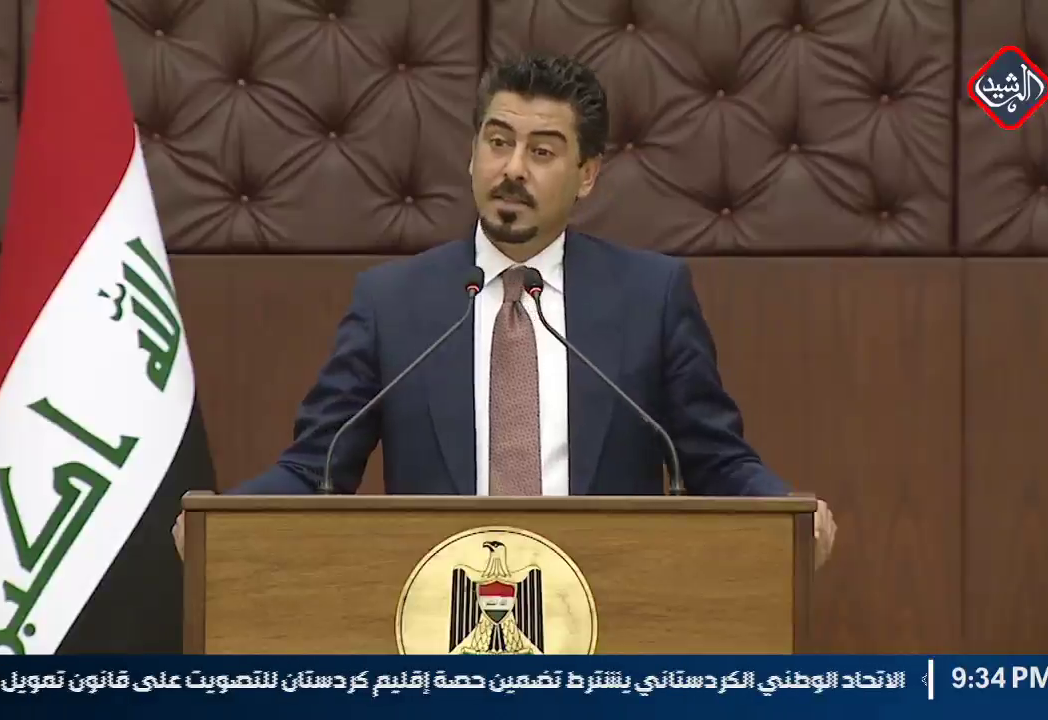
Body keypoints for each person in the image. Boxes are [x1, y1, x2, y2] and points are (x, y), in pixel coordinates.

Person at [173, 54, 836, 566]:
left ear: (586, 175)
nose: (513, 168)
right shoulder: (393, 303)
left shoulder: (650, 297)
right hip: (437, 615)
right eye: (498, 142)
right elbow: (316, 468)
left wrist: (787, 512)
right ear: (472, 154)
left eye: (542, 151)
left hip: (607, 607)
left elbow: (715, 460)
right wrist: (222, 521)